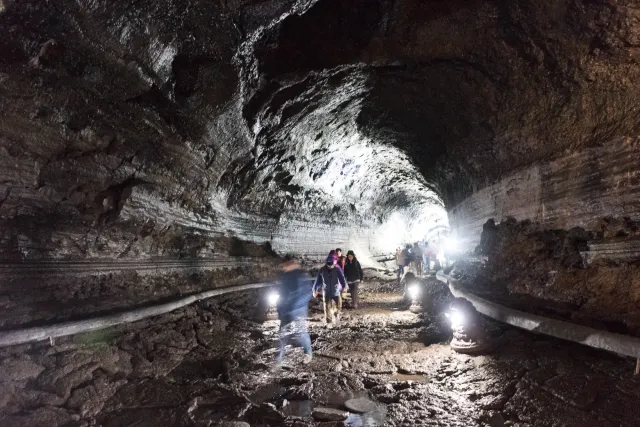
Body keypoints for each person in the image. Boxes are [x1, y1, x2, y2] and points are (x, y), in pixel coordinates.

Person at [276, 254, 313, 365]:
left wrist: (295, 306)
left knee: (301, 332)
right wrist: (280, 308)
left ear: (290, 264)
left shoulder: (301, 277)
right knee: (282, 333)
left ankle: (308, 353)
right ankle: (279, 356)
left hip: (298, 311)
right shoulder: (284, 277)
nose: (283, 268)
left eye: (285, 265)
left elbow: (307, 293)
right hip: (286, 310)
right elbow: (282, 295)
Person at [313, 254, 347, 324]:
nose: (330, 266)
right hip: (326, 292)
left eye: (331, 264)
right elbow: (318, 281)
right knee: (327, 307)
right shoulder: (322, 270)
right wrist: (314, 289)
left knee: (338, 306)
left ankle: (335, 313)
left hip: (336, 291)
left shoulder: (337, 269)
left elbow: (342, 278)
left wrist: (344, 286)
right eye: (329, 264)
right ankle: (329, 321)